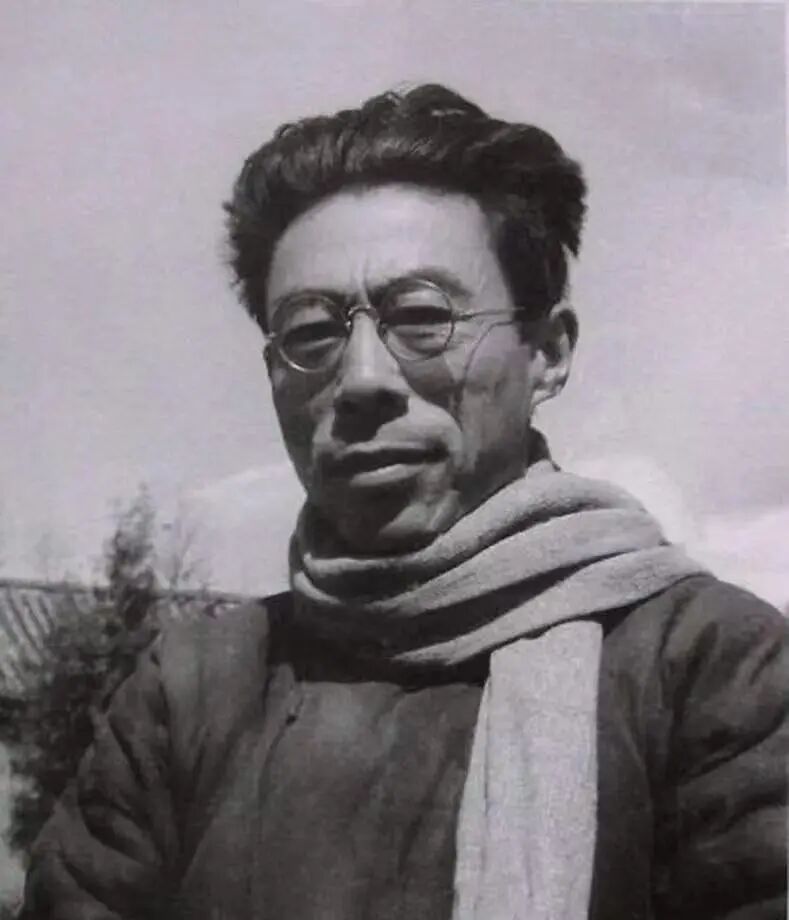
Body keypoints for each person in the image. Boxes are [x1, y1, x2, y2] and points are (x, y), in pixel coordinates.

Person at [21, 84, 788, 920]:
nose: (362, 379)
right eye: (311, 333)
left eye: (422, 316)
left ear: (546, 354)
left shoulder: (710, 668)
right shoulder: (194, 693)